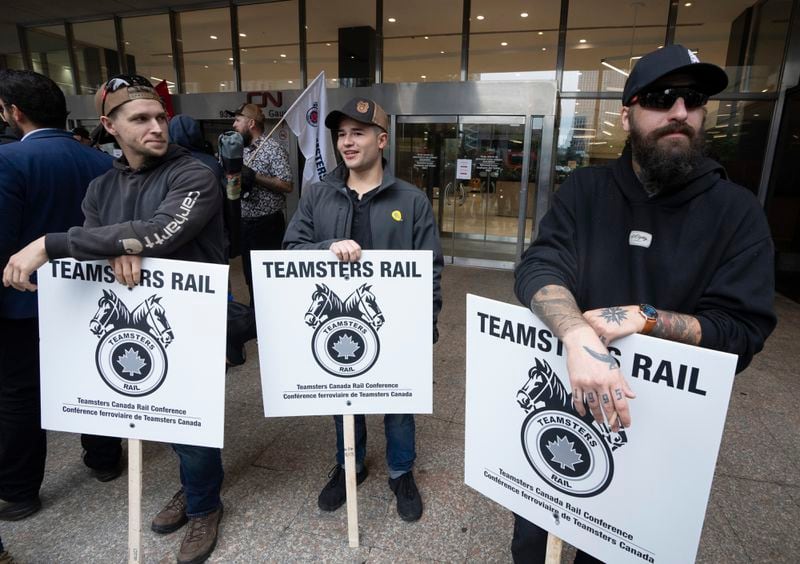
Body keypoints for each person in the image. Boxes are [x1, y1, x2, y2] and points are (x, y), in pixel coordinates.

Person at [511, 45, 777, 563]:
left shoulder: (737, 213)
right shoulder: (585, 190)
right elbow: (539, 267)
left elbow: (741, 331)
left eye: (693, 100)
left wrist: (646, 317)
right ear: (627, 112)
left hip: (657, 430)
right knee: (534, 540)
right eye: (660, 97)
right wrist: (578, 334)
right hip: (563, 402)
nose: (679, 111)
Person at [2, 74, 226, 564]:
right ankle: (192, 489)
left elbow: (160, 231)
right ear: (109, 125)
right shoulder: (101, 184)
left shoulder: (194, 174)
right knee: (156, 412)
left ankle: (206, 504)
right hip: (130, 319)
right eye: (140, 119)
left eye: (160, 118)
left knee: (191, 422)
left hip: (190, 323)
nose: (156, 127)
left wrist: (51, 242)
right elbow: (100, 238)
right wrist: (119, 249)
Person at [283, 97, 443, 522]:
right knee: (343, 395)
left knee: (399, 401)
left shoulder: (410, 201)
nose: (347, 143)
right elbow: (290, 249)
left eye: (358, 132)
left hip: (395, 326)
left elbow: (431, 269)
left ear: (382, 139)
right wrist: (325, 248)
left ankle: (400, 471)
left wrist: (425, 326)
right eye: (340, 135)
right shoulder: (318, 196)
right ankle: (349, 463)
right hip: (338, 322)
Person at [0, 69, 121, 522]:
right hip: (91, 296)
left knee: (20, 395)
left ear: (14, 113)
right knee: (94, 375)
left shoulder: (9, 161)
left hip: (23, 300)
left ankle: (19, 489)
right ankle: (104, 459)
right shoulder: (101, 161)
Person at [226, 103, 293, 305]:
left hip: (267, 225)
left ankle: (272, 315)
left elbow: (287, 184)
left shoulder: (272, 149)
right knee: (250, 276)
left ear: (251, 123)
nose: (234, 124)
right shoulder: (237, 151)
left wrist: (255, 176)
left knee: (267, 276)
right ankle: (256, 316)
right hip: (244, 222)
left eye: (238, 120)